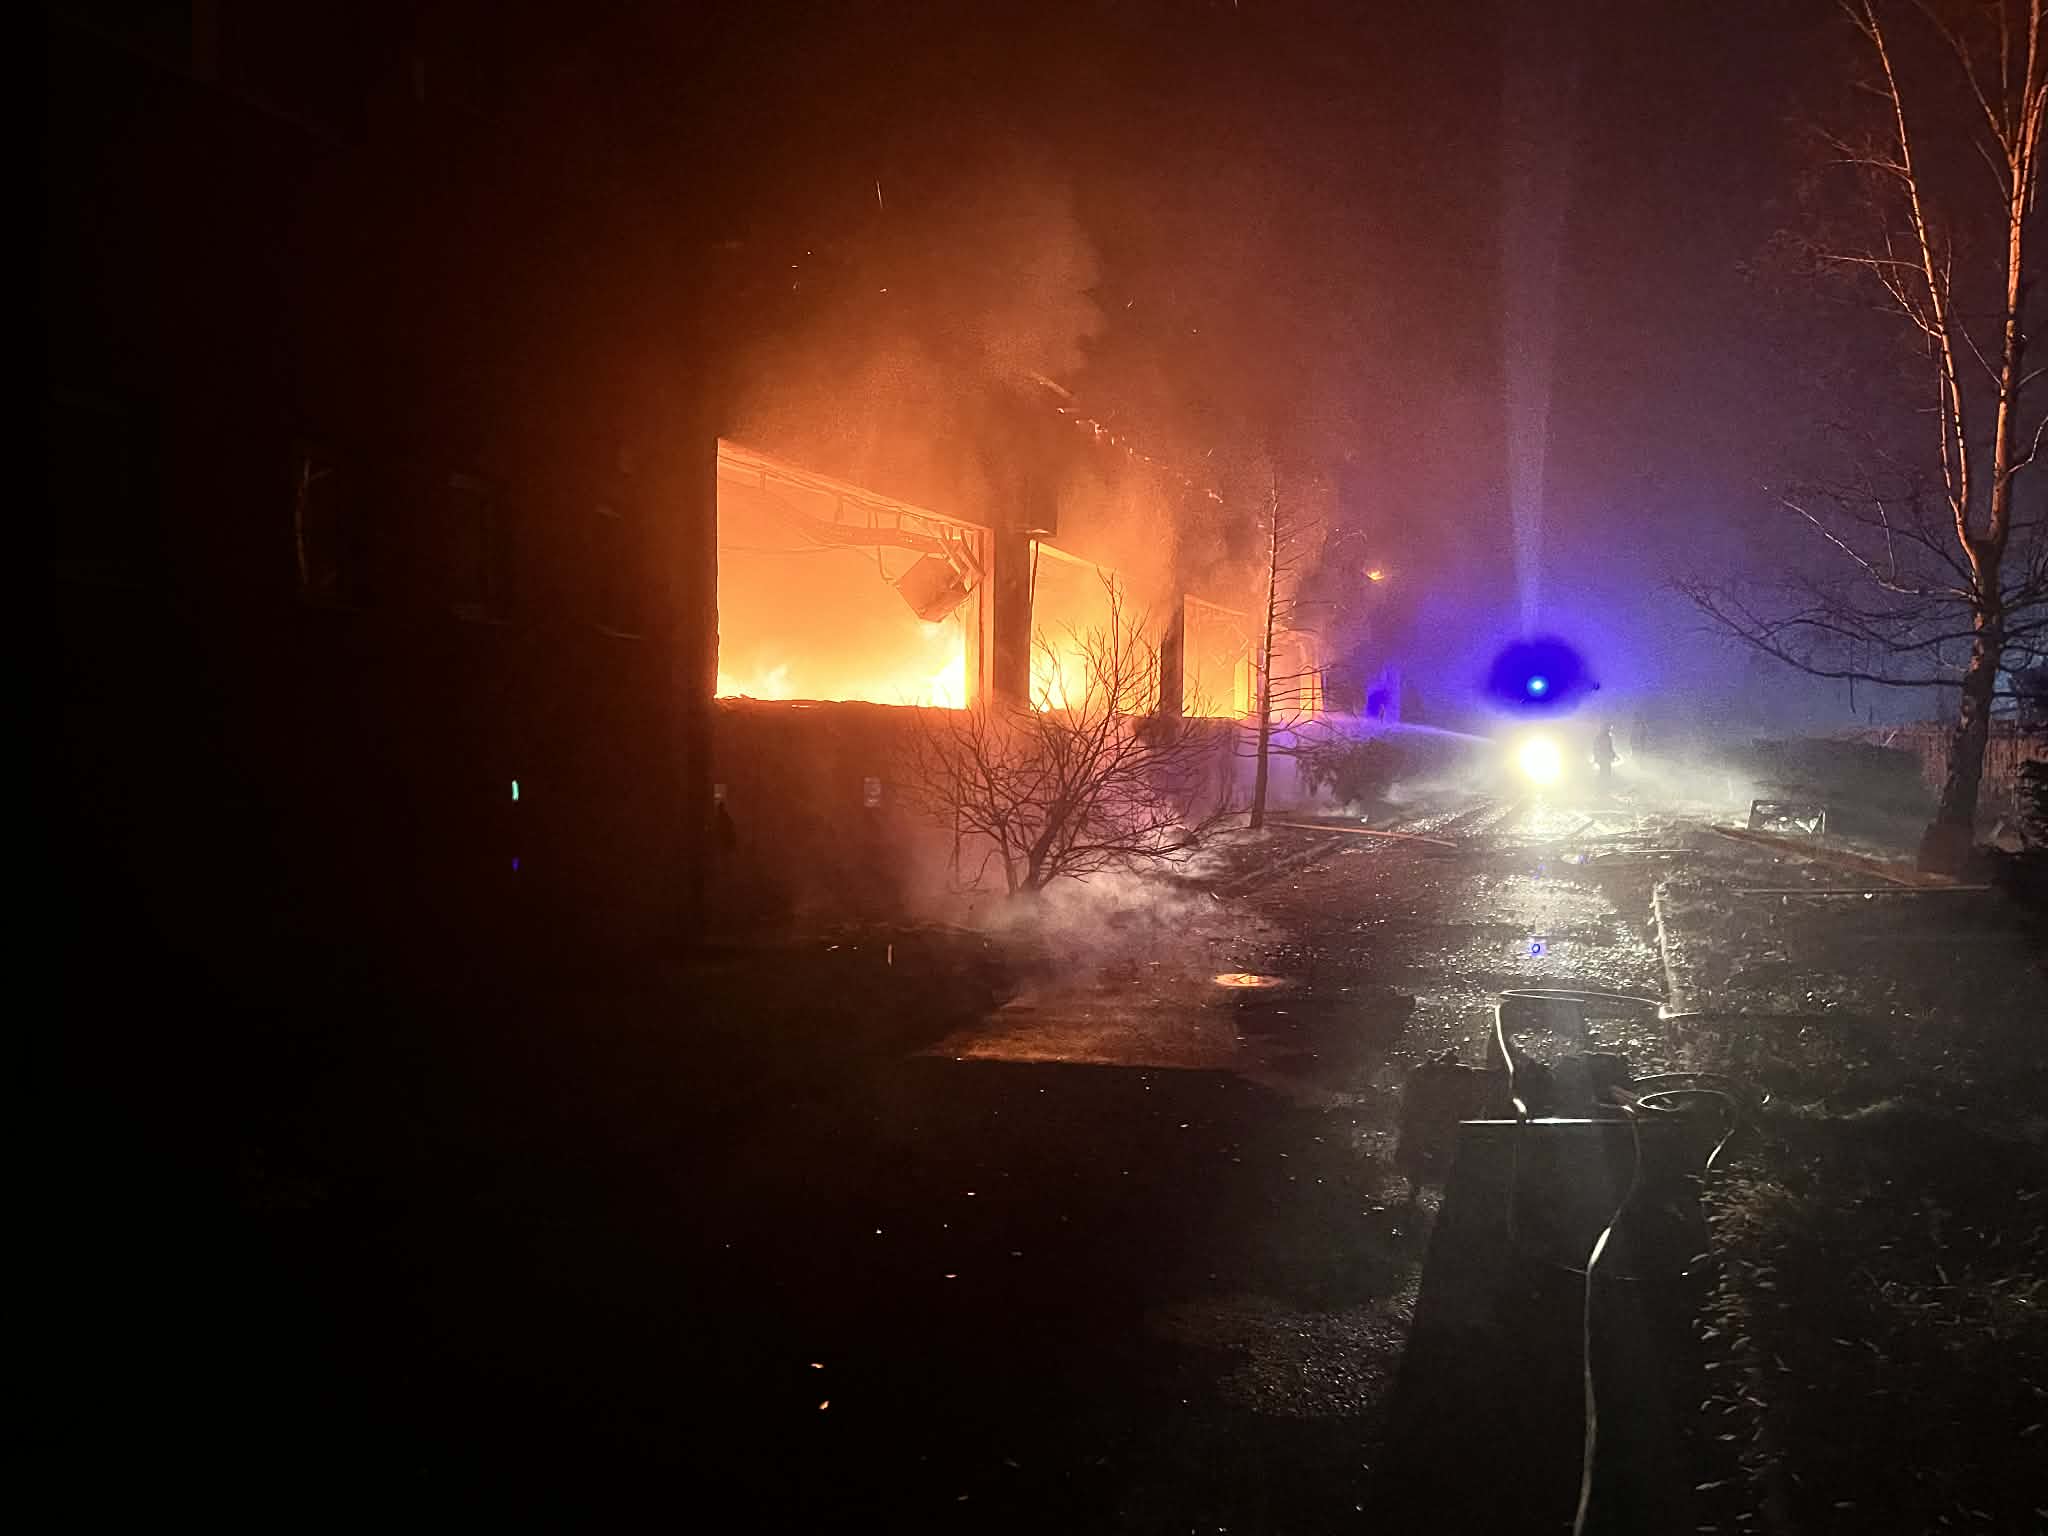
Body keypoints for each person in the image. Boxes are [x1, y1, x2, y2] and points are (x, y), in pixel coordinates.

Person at [1592, 722, 1618, 787]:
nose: (1610, 729)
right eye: (1609, 728)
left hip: (1606, 758)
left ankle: (1604, 786)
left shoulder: (1607, 737)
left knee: (1606, 772)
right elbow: (1596, 748)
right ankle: (1602, 786)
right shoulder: (1601, 737)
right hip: (1603, 758)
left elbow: (1610, 748)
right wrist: (1596, 757)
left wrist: (1615, 755)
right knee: (1604, 772)